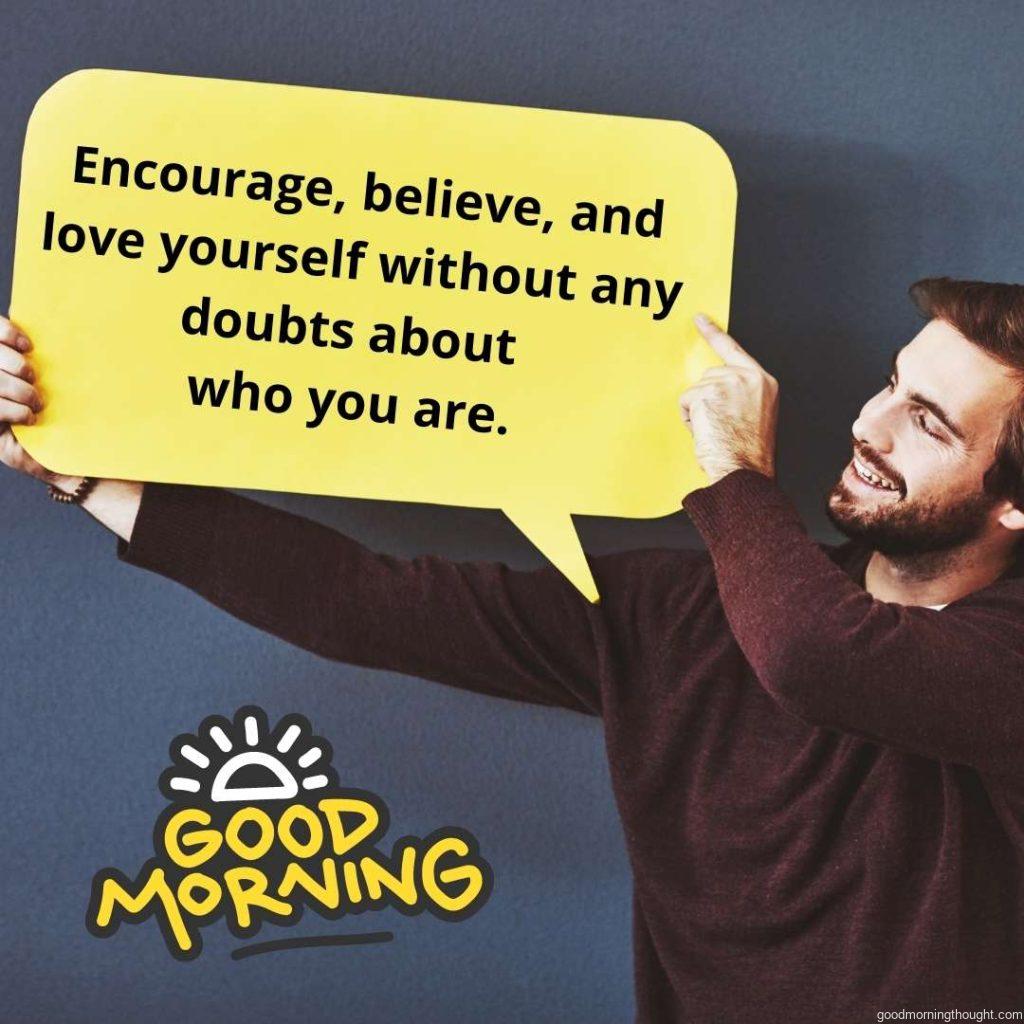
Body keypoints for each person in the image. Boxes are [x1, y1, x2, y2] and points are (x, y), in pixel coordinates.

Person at [4, 277, 1024, 1022]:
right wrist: (84, 469)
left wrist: (731, 472)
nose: (867, 423)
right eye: (890, 383)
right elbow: (366, 604)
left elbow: (819, 658)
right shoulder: (686, 610)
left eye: (926, 421)